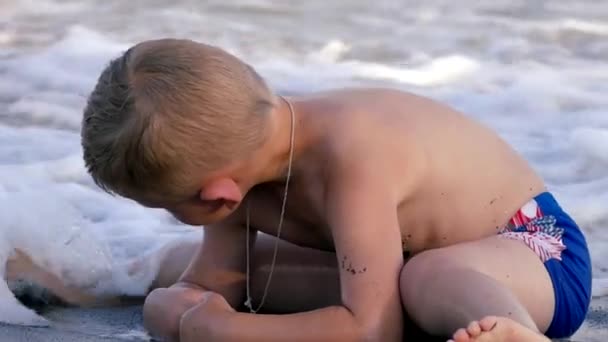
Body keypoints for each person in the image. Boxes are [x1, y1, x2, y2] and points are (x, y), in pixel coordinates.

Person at [80, 38, 592, 342]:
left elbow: (373, 332)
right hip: (404, 271)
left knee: (427, 277)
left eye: (169, 208)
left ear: (217, 197)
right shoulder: (246, 156)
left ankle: (510, 332)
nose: (173, 215)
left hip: (536, 252)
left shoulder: (351, 159)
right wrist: (175, 307)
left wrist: (221, 330)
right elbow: (217, 284)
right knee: (177, 262)